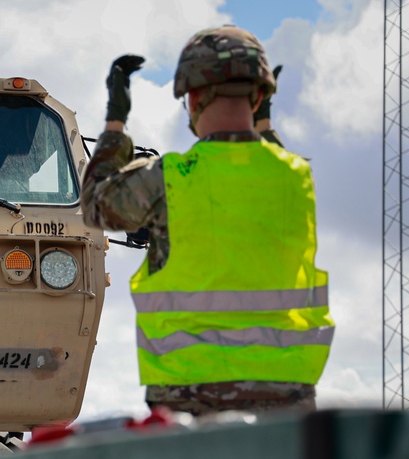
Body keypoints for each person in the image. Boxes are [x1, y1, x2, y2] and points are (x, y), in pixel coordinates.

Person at [80, 26, 334, 416]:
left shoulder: (171, 178)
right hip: (288, 397)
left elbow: (96, 206)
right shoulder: (297, 178)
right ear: (261, 96)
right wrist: (263, 124)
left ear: (193, 97)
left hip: (190, 396)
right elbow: (271, 160)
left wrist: (116, 125)